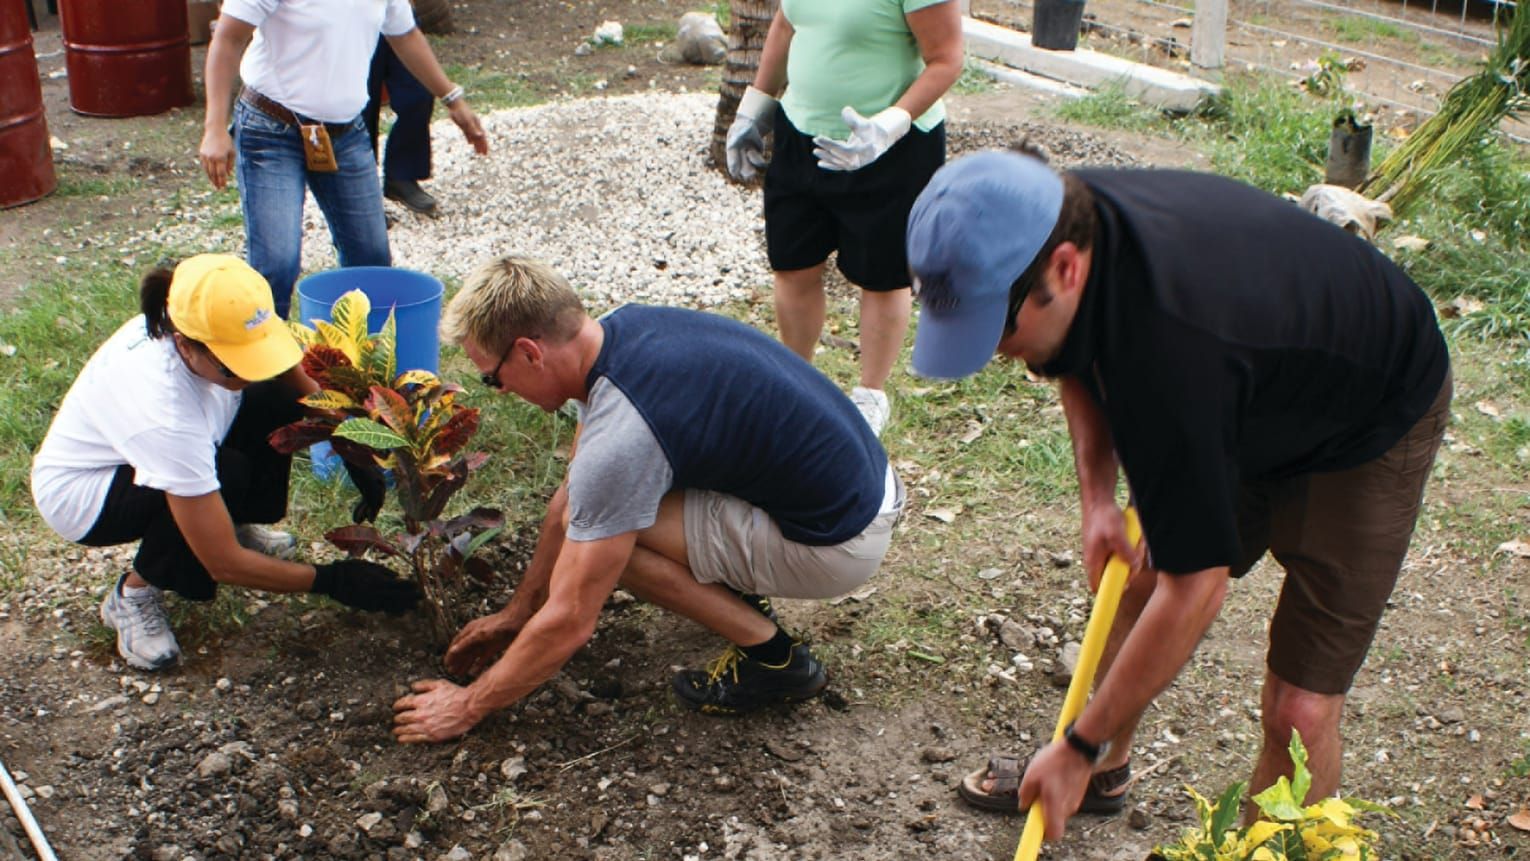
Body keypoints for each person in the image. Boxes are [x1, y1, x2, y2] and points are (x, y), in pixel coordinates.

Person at [904, 151, 1451, 839]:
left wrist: (1072, 744)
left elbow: (1199, 588)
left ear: (1066, 269)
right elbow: (1066, 354)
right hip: (1250, 381)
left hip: (1367, 418)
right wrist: (1098, 496)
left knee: (1299, 714)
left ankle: (1231, 835)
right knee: (1138, 578)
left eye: (997, 327)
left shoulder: (1170, 351)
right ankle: (1107, 768)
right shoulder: (1055, 215)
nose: (993, 353)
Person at [390, 256, 903, 742]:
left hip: (838, 544)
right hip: (860, 484)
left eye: (492, 377)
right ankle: (741, 588)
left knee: (615, 547)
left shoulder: (623, 435)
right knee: (593, 515)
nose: (498, 391)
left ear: (529, 352)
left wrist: (468, 704)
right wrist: (517, 611)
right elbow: (572, 493)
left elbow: (571, 618)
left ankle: (774, 660)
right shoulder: (620, 330)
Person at [30, 255, 421, 671]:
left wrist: (352, 442)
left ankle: (227, 518)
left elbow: (290, 373)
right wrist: (332, 580)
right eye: (237, 366)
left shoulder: (214, 314)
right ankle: (133, 594)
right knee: (225, 475)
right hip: (87, 496)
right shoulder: (165, 415)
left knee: (274, 400)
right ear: (184, 343)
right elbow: (223, 562)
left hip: (178, 444)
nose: (249, 375)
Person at [723, 0, 963, 436]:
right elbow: (785, 23)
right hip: (802, 134)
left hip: (892, 149)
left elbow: (946, 60)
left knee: (882, 276)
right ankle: (797, 380)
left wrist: (889, 125)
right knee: (793, 265)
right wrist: (755, 104)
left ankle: (870, 395)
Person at [198, 0, 490, 317]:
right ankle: (266, 361)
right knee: (276, 264)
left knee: (372, 260)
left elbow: (405, 35)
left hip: (345, 134)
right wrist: (215, 128)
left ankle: (353, 358)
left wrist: (451, 98)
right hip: (270, 129)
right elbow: (228, 37)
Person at [364, 36, 439, 216]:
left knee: (419, 92)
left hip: (392, 13)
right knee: (361, 107)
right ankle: (362, 195)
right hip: (351, 20)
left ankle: (402, 175)